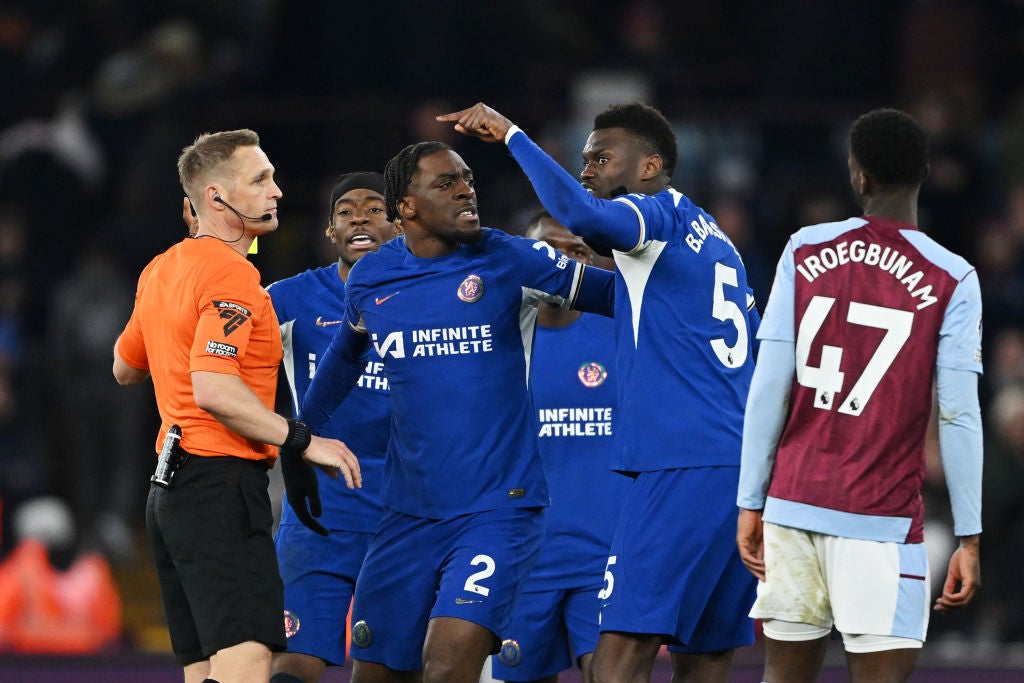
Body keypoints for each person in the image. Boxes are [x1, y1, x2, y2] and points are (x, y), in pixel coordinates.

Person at [439, 102, 760, 683]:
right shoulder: (717, 245)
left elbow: (577, 213)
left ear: (650, 167)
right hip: (738, 470)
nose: (587, 170)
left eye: (601, 158)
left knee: (616, 662)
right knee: (707, 654)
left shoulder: (655, 218)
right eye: (585, 160)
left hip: (679, 464)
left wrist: (512, 134)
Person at [299, 141, 615, 683]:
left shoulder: (509, 257)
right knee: (373, 672)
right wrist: (300, 436)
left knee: (447, 664)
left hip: (499, 509)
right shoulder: (373, 279)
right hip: (407, 514)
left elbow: (620, 297)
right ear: (406, 207)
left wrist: (685, 276)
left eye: (467, 179)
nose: (466, 189)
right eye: (445, 183)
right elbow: (344, 360)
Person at [735, 108, 983, 683]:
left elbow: (769, 384)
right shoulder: (953, 278)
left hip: (791, 510)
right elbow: (959, 415)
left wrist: (751, 501)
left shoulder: (803, 249)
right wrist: (968, 535)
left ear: (858, 177)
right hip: (881, 521)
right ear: (924, 171)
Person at [112, 128, 361, 683]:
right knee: (247, 656)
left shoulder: (161, 269)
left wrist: (174, 343)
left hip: (169, 493)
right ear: (217, 198)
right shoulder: (233, 274)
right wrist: (302, 439)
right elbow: (215, 389)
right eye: (261, 179)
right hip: (217, 485)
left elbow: (125, 367)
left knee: (205, 666)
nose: (277, 190)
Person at [266, 171, 399, 683]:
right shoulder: (287, 299)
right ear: (329, 230)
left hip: (409, 507)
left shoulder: (433, 298)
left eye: (374, 208)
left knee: (386, 665)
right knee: (292, 658)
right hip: (319, 505)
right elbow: (224, 372)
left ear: (401, 222)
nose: (359, 218)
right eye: (346, 211)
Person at [490, 211, 629, 683]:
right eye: (546, 250)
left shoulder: (621, 333)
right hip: (524, 558)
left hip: (605, 554)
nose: (560, 262)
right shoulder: (494, 342)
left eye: (575, 252)